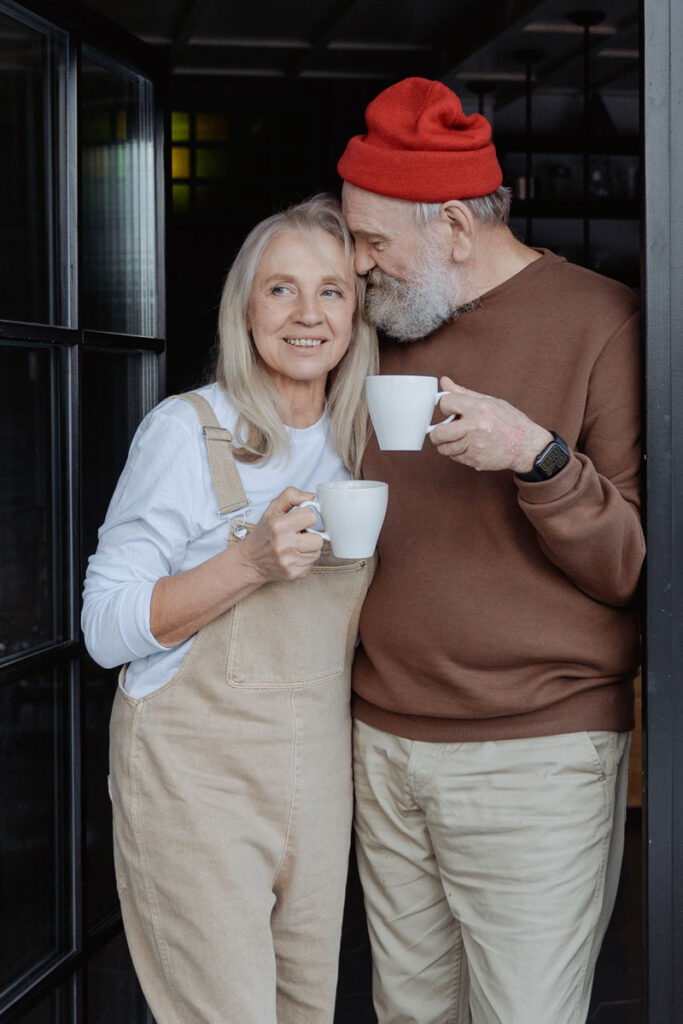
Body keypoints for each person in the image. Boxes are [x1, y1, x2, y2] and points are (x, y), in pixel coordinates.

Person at [337, 77, 645, 1024]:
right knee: (410, 1013)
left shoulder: (603, 323)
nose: (354, 265)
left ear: (457, 229)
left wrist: (539, 459)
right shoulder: (376, 327)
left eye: (370, 240)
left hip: (536, 755)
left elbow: (633, 567)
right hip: (380, 743)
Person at [81, 194, 378, 1024]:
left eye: (331, 292)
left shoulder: (364, 442)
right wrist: (246, 561)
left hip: (317, 778)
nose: (307, 315)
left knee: (300, 1012)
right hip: (194, 783)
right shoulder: (187, 431)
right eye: (281, 289)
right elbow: (104, 628)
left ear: (356, 316)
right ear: (245, 311)